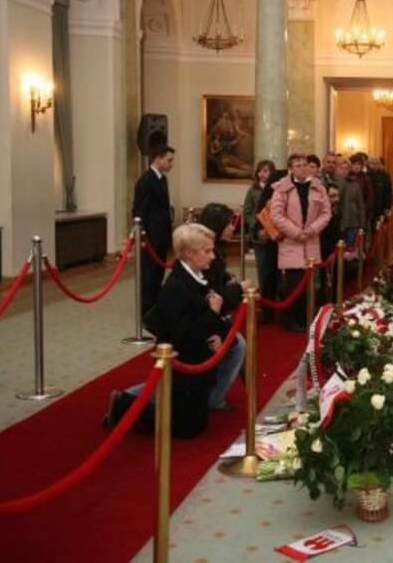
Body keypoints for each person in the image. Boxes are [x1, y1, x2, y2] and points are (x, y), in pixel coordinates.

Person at [104, 224, 235, 438]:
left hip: (197, 363)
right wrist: (213, 314)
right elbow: (183, 337)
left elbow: (203, 319)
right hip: (182, 364)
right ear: (190, 254)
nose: (212, 256)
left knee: (198, 423)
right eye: (207, 251)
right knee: (187, 429)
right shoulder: (177, 287)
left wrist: (217, 332)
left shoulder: (196, 277)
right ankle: (123, 405)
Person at [196, 203, 252, 411]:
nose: (232, 228)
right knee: (237, 346)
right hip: (201, 318)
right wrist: (238, 288)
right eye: (228, 224)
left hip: (207, 314)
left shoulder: (215, 251)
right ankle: (214, 398)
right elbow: (212, 293)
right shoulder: (206, 256)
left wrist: (228, 280)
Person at [270, 154, 331, 331]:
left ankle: (307, 319)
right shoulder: (282, 188)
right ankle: (292, 320)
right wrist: (296, 232)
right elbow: (276, 215)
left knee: (309, 286)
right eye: (298, 165)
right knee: (293, 284)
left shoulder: (318, 187)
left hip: (311, 242)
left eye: (305, 164)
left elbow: (326, 213)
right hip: (291, 243)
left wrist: (311, 230)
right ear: (291, 168)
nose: (302, 168)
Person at [132, 142, 174, 315]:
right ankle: (146, 308)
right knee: (149, 273)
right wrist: (141, 236)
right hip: (150, 236)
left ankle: (155, 304)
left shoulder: (162, 179)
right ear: (158, 159)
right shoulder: (146, 180)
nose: (171, 164)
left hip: (161, 234)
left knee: (158, 272)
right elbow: (139, 210)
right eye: (169, 160)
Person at [243, 160, 278, 323]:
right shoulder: (253, 190)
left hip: (275, 235)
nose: (263, 174)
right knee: (262, 269)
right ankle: (264, 305)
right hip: (259, 236)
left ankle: (274, 301)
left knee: (274, 270)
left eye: (266, 171)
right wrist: (257, 227)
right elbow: (247, 212)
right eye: (260, 171)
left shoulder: (277, 190)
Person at [335, 157, 366, 252]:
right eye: (341, 168)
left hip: (352, 222)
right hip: (336, 222)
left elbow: (360, 205)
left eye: (346, 168)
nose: (344, 171)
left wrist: (362, 223)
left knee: (350, 251)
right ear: (336, 168)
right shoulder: (332, 182)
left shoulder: (355, 184)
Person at [368, 156, 393, 227]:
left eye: (377, 163)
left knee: (380, 228)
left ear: (380, 164)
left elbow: (389, 192)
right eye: (372, 163)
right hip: (369, 209)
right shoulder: (366, 176)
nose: (374, 165)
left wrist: (388, 206)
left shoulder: (385, 176)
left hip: (381, 207)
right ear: (369, 164)